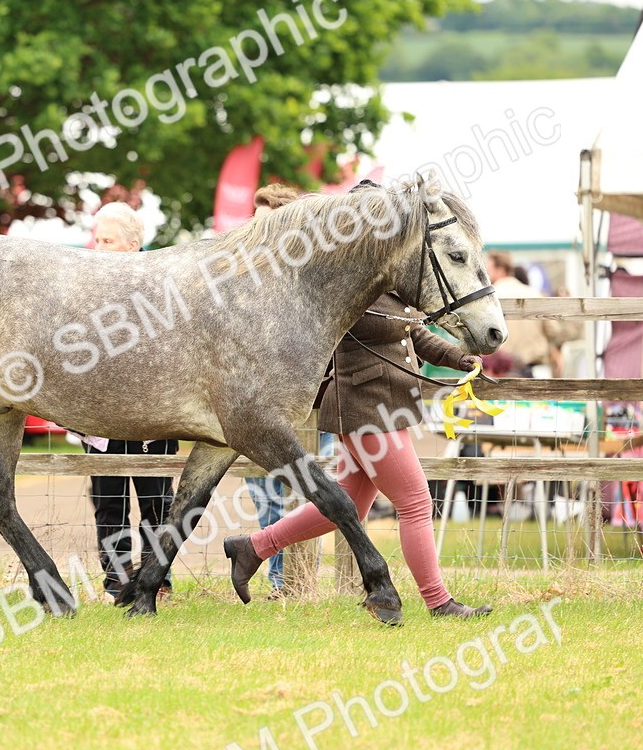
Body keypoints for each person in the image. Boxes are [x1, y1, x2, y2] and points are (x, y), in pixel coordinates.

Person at [224, 292, 494, 618]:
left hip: (378, 405)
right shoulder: (356, 280)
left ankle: (253, 547)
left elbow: (412, 332)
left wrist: (458, 357)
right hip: (367, 406)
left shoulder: (389, 283)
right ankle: (439, 602)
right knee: (416, 502)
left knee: (348, 504)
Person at [241, 183, 335, 596]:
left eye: (267, 225)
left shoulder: (314, 281)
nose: (257, 234)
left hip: (311, 408)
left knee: (311, 494)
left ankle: (296, 581)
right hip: (258, 410)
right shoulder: (243, 283)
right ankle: (282, 581)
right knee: (265, 498)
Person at [82, 203, 179, 601]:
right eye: (97, 240)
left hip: (152, 413)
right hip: (101, 415)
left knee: (157, 503)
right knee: (109, 502)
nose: (99, 248)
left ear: (133, 246)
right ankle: (116, 580)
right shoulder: (84, 289)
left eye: (108, 241)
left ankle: (157, 578)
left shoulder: (159, 288)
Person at [485, 250, 559, 377]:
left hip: (501, 370)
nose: (486, 274)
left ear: (500, 269)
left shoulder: (489, 298)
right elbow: (553, 330)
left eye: (488, 269)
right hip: (535, 368)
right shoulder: (535, 293)